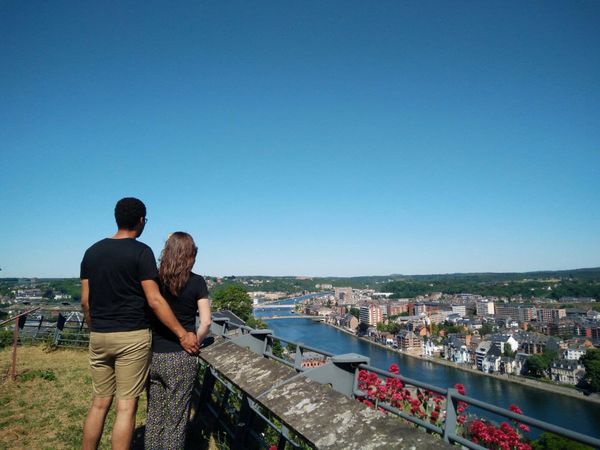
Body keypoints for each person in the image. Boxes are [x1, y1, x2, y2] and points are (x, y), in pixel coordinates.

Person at [80, 198, 199, 450]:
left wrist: (95, 328)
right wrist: (182, 334)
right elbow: (155, 300)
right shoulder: (141, 252)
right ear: (141, 220)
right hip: (131, 337)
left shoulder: (91, 252)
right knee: (126, 406)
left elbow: (85, 302)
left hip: (99, 335)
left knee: (99, 402)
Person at [145, 232, 212, 450]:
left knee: (155, 415)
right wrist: (195, 342)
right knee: (176, 419)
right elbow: (206, 322)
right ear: (190, 256)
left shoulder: (154, 281)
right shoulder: (197, 282)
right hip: (181, 357)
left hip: (154, 355)